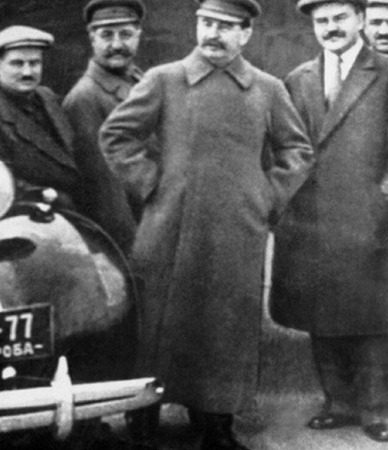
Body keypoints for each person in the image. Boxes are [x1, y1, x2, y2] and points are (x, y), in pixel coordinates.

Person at [99, 0, 315, 448]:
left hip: (237, 232)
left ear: (245, 34)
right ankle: (144, 417)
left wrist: (266, 196)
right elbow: (117, 136)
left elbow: (297, 152)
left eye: (225, 26)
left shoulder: (267, 89)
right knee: (159, 323)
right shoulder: (164, 79)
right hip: (169, 228)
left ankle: (216, 423)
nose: (213, 34)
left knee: (225, 327)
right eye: (206, 23)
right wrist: (152, 184)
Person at [270, 0, 388, 442]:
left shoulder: (385, 72)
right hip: (311, 217)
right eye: (322, 21)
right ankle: (337, 403)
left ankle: (376, 409)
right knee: (321, 313)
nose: (331, 27)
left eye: (340, 18)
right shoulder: (297, 79)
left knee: (373, 316)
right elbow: (283, 145)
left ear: (360, 19)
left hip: (369, 214)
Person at [0, 25, 133, 251]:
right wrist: (49, 195)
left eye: (34, 63)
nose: (27, 72)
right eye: (17, 64)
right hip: (34, 229)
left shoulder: (46, 97)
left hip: (79, 215)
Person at [62, 0, 148, 250]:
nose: (117, 45)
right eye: (107, 35)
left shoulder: (138, 80)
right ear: (92, 38)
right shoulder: (85, 98)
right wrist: (136, 253)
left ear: (138, 35)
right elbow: (106, 194)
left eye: (126, 34)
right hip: (133, 236)